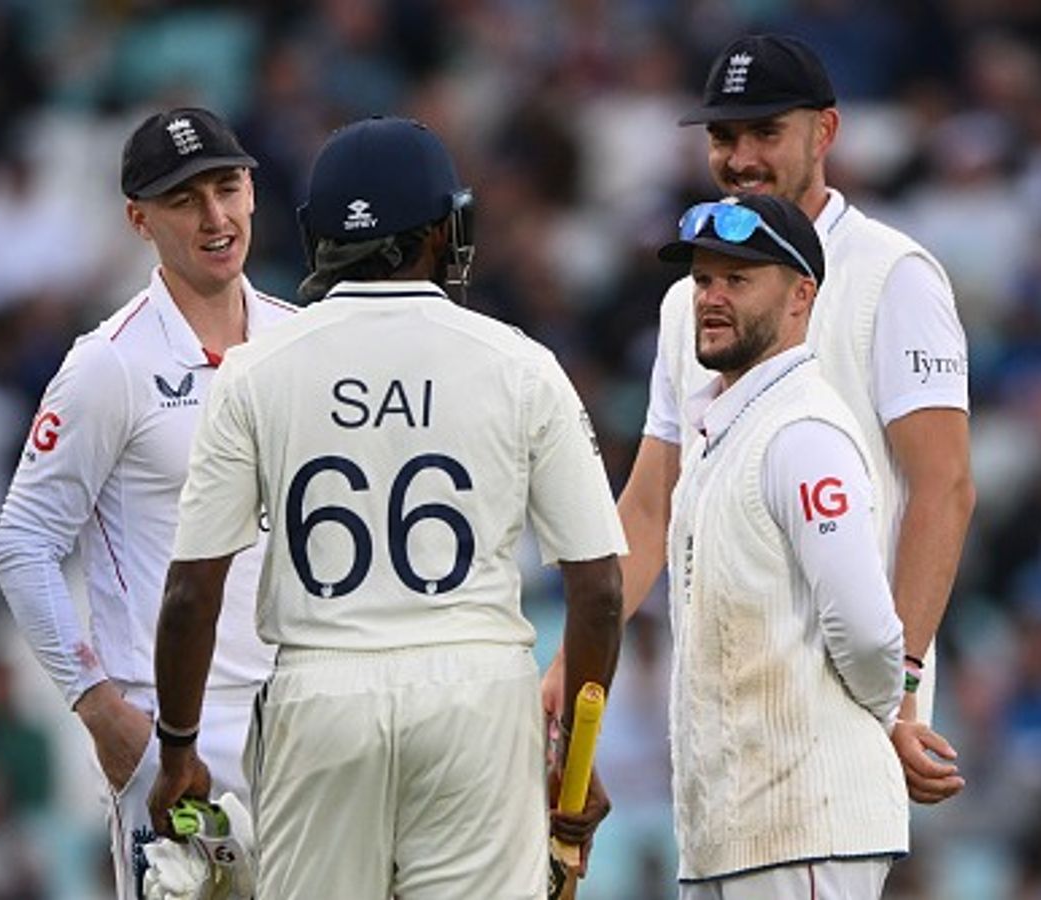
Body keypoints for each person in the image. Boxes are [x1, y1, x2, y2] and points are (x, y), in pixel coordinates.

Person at [147, 116, 627, 899]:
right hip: (477, 693)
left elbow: (191, 593)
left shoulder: (252, 371)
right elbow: (601, 588)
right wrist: (572, 757)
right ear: (444, 231)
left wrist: (178, 754)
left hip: (319, 693)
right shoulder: (521, 364)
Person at [545, 33, 974, 804]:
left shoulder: (891, 274)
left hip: (839, 712)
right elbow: (649, 505)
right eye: (724, 136)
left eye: (765, 132)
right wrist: (573, 664)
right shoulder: (691, 299)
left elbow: (943, 487)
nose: (741, 157)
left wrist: (900, 689)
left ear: (826, 132)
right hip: (721, 717)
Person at [0, 106, 295, 900]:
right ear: (139, 220)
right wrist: (97, 706)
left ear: (253, 192)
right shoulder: (109, 364)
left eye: (227, 188)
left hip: (302, 713)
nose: (216, 217)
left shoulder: (302, 345)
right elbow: (21, 542)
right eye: (185, 201)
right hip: (174, 729)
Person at [657, 193, 908, 898]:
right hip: (735, 837)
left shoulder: (803, 434)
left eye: (738, 280)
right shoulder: (726, 427)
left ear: (803, 295)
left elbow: (866, 632)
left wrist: (885, 713)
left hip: (802, 828)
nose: (711, 297)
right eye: (704, 280)